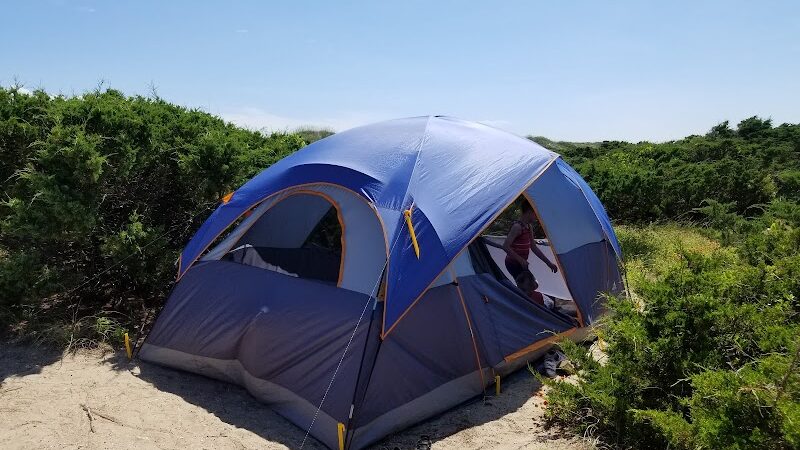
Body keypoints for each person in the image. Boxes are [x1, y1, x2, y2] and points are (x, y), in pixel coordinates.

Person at [502, 201, 558, 281]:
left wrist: (549, 263)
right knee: (528, 286)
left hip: (521, 264)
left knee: (532, 284)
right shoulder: (517, 227)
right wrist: (521, 260)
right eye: (535, 214)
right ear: (529, 212)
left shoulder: (529, 227)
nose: (537, 217)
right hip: (512, 263)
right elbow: (505, 246)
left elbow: (534, 247)